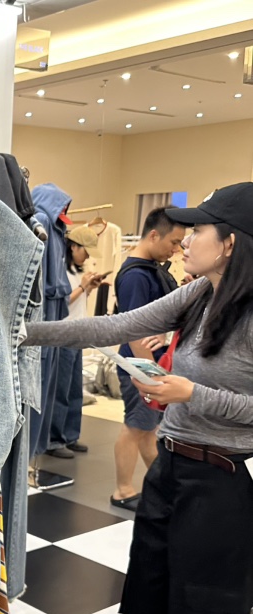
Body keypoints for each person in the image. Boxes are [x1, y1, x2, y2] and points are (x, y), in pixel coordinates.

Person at [23, 183, 253, 614]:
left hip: (219, 483)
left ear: (230, 244)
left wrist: (190, 393)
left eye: (197, 231)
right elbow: (112, 327)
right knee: (146, 602)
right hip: (170, 469)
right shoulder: (199, 293)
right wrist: (19, 333)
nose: (184, 241)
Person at [109, 208, 186, 510]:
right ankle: (122, 491)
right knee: (135, 427)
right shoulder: (136, 276)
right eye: (174, 242)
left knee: (147, 430)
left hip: (150, 364)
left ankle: (161, 487)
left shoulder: (151, 270)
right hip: (139, 366)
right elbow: (135, 330)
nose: (176, 250)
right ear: (154, 235)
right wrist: (149, 373)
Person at [46, 225, 104, 458]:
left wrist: (88, 288)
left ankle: (70, 435)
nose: (87, 256)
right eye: (85, 251)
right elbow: (61, 302)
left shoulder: (76, 271)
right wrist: (82, 287)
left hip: (78, 334)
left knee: (74, 390)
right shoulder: (60, 271)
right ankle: (54, 440)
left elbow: (77, 302)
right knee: (60, 390)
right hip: (64, 335)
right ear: (73, 247)